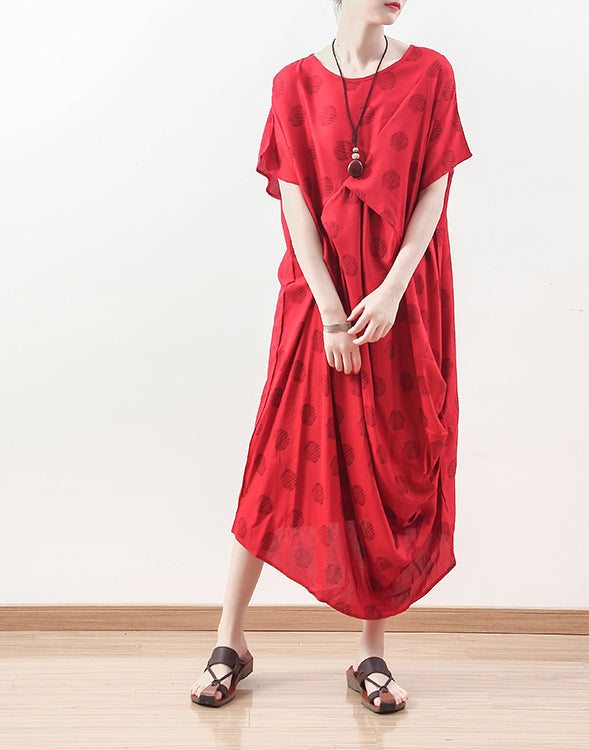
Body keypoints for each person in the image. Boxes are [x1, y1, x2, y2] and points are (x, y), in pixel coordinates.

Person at [189, 0, 472, 713]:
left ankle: (370, 653)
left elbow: (434, 190)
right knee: (276, 463)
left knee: (388, 466)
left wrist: (392, 290)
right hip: (317, 305)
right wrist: (330, 313)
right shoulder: (293, 84)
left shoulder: (431, 74)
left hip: (399, 303)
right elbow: (295, 207)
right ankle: (230, 641)